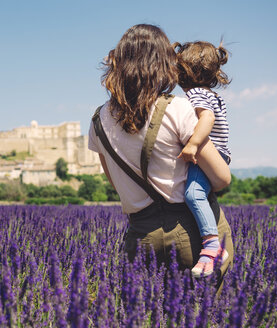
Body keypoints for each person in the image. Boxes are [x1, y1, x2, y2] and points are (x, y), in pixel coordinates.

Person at [88, 24, 233, 284]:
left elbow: (116, 183)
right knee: (203, 313)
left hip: (140, 238)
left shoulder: (98, 120)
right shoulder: (178, 108)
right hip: (191, 236)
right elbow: (222, 179)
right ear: (163, 63)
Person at [174, 41, 232, 277]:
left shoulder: (196, 94)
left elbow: (207, 118)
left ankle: (211, 246)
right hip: (221, 153)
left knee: (193, 194)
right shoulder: (211, 94)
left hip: (212, 152)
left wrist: (193, 144)